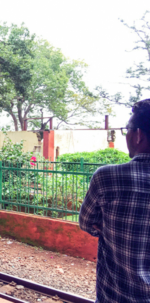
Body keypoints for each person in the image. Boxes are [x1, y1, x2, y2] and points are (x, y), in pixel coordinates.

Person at [79, 99, 150, 302]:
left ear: (138, 135)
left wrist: (111, 228)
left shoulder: (107, 177)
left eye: (127, 130)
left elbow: (86, 222)